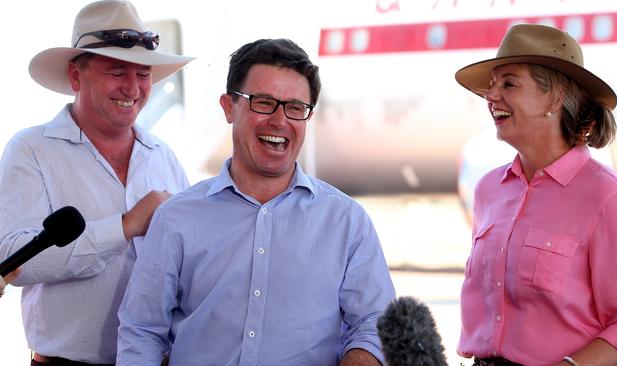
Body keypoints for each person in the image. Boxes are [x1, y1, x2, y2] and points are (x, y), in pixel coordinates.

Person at [116, 38, 395, 366]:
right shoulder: (176, 217)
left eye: (295, 107)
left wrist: (360, 356)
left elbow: (375, 323)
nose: (279, 121)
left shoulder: (347, 221)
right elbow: (142, 331)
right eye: (263, 102)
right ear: (229, 107)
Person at [0, 1, 194, 365]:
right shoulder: (31, 150)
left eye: (143, 74)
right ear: (76, 77)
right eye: (117, 72)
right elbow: (13, 260)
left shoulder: (163, 155)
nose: (134, 88)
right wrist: (125, 226)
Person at [454, 23, 617, 365]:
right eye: (491, 86)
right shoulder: (488, 190)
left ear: (554, 97)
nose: (491, 96)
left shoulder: (605, 196)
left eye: (509, 84)